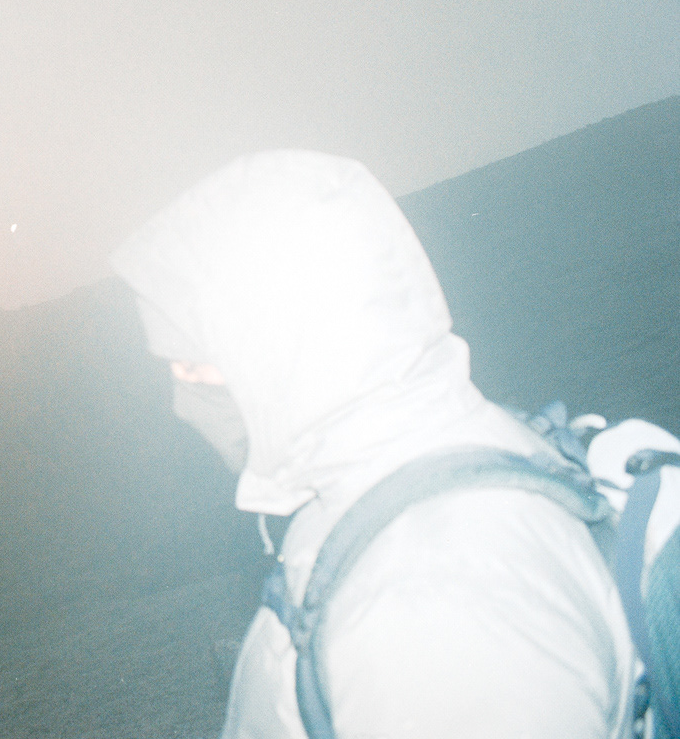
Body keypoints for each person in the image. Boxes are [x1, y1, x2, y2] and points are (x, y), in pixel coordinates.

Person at [110, 150, 636, 739]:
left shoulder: (431, 600)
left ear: (280, 352)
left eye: (191, 367)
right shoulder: (427, 446)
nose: (181, 401)